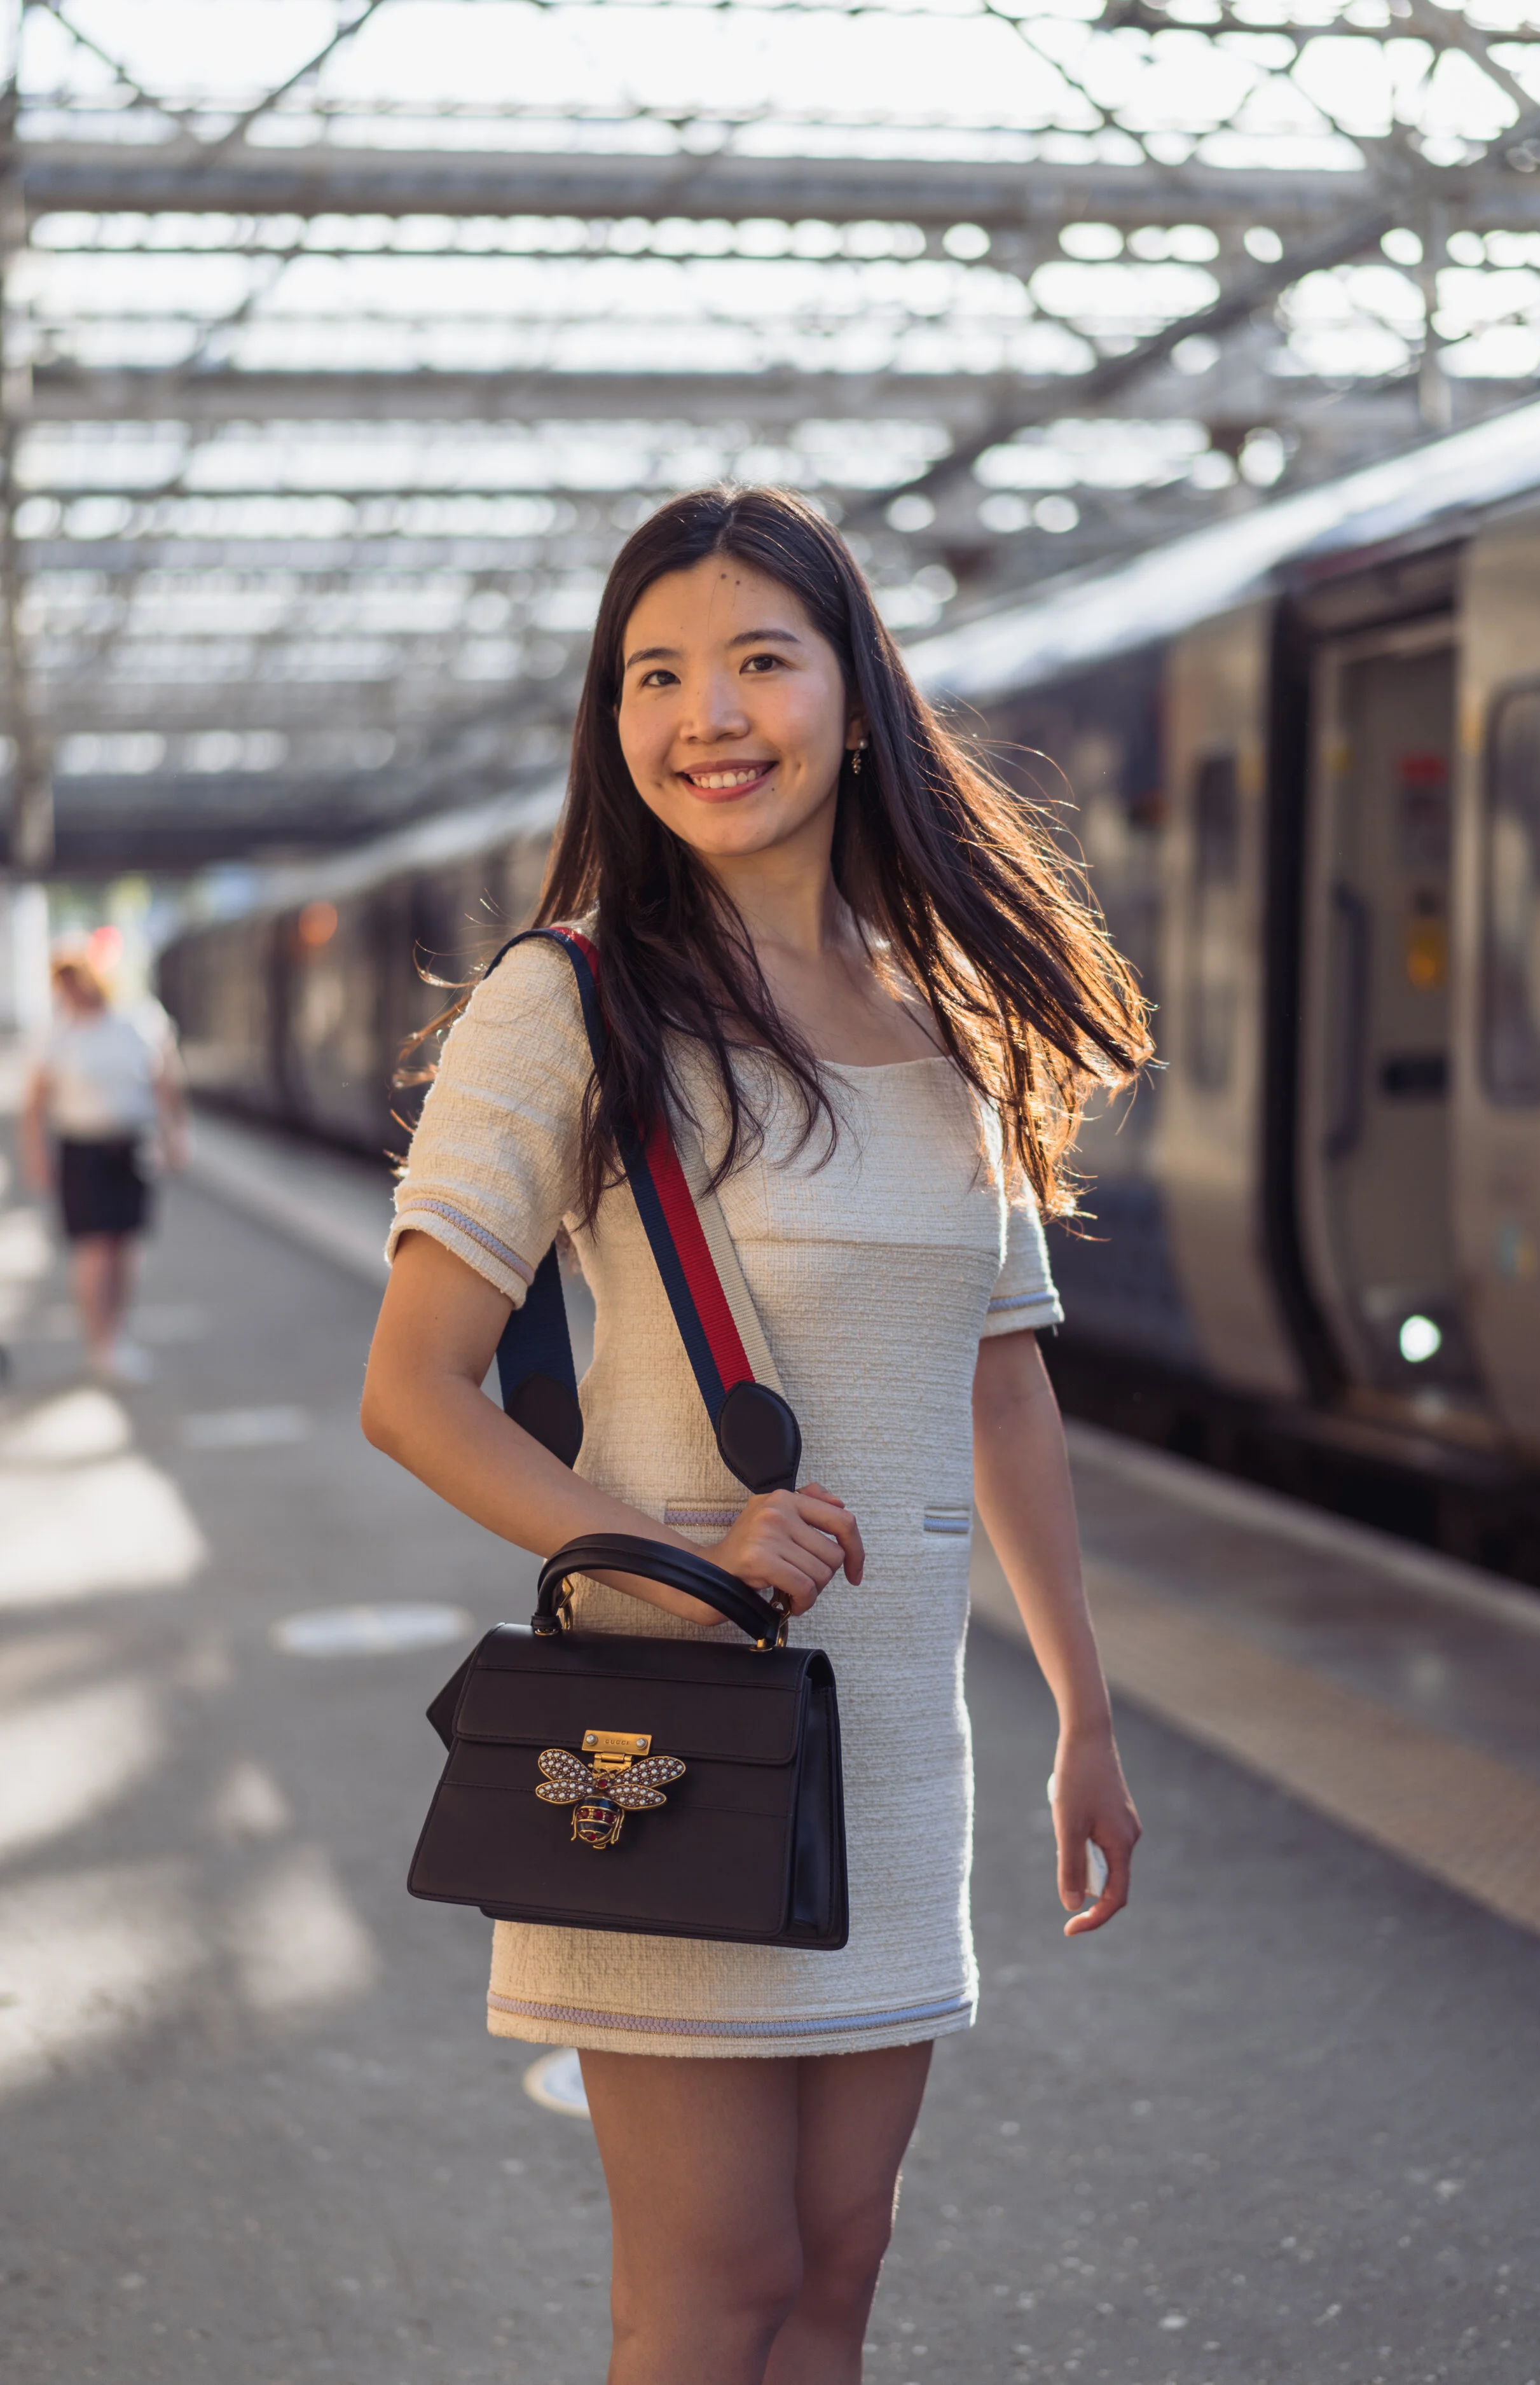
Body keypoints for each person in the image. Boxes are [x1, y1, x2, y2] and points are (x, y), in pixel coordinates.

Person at [362, 485, 1152, 2385]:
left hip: (890, 1733)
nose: (703, 712)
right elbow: (411, 1387)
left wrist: (1082, 1711)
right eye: (654, 672)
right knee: (706, 2296)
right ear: (610, 719)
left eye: (753, 661)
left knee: (832, 2274)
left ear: (853, 694)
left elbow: (995, 1382)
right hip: (678, 1733)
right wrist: (675, 1547)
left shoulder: (942, 1020)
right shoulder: (569, 1001)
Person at [21, 951, 188, 1384]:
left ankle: (118, 1334)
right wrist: (37, 1157)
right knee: (95, 1251)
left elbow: (166, 1082)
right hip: (83, 1151)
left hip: (130, 1147)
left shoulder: (137, 1021)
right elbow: (34, 1106)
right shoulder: (55, 1034)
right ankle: (101, 1344)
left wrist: (175, 1135)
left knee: (126, 1249)